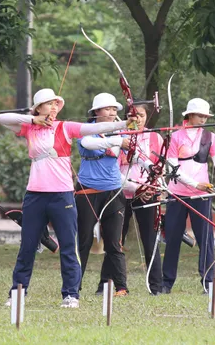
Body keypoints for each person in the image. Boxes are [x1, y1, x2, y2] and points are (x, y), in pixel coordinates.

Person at [0, 88, 136, 308]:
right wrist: (33, 119)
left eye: (56, 104)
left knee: (69, 247)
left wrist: (123, 124)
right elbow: (2, 118)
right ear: (39, 108)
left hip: (62, 195)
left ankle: (71, 294)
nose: (53, 107)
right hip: (35, 194)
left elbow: (96, 127)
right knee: (27, 246)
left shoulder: (65, 127)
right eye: (48, 104)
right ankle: (18, 292)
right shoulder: (28, 128)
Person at [162, 98, 215, 295]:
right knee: (172, 238)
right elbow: (172, 168)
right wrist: (196, 184)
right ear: (189, 115)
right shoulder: (176, 137)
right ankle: (166, 283)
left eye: (206, 116)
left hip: (202, 196)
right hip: (178, 193)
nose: (203, 119)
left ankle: (208, 282)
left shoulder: (210, 137)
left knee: (205, 239)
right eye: (200, 115)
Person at [76, 93, 133, 297]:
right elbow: (90, 144)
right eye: (108, 109)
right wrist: (119, 139)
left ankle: (121, 287)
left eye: (115, 110)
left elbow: (137, 155)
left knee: (114, 242)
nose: (112, 113)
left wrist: (154, 169)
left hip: (114, 192)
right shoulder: (86, 131)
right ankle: (74, 287)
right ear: (96, 112)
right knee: (83, 241)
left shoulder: (120, 132)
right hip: (88, 192)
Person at [119, 103, 163, 295]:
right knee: (115, 240)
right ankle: (111, 283)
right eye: (132, 115)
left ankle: (156, 286)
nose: (136, 118)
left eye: (141, 115)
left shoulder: (155, 137)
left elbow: (160, 166)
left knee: (150, 239)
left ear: (147, 117)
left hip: (147, 192)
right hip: (121, 191)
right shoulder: (118, 135)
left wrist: (155, 187)